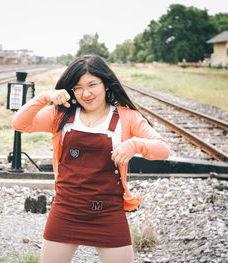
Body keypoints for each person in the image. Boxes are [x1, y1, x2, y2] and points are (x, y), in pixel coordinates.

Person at [12, 55, 170, 263]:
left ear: (105, 84)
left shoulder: (127, 118)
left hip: (108, 213)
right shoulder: (61, 116)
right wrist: (44, 97)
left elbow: (163, 149)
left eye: (92, 84)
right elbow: (19, 124)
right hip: (65, 211)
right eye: (78, 87)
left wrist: (135, 145)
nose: (85, 93)